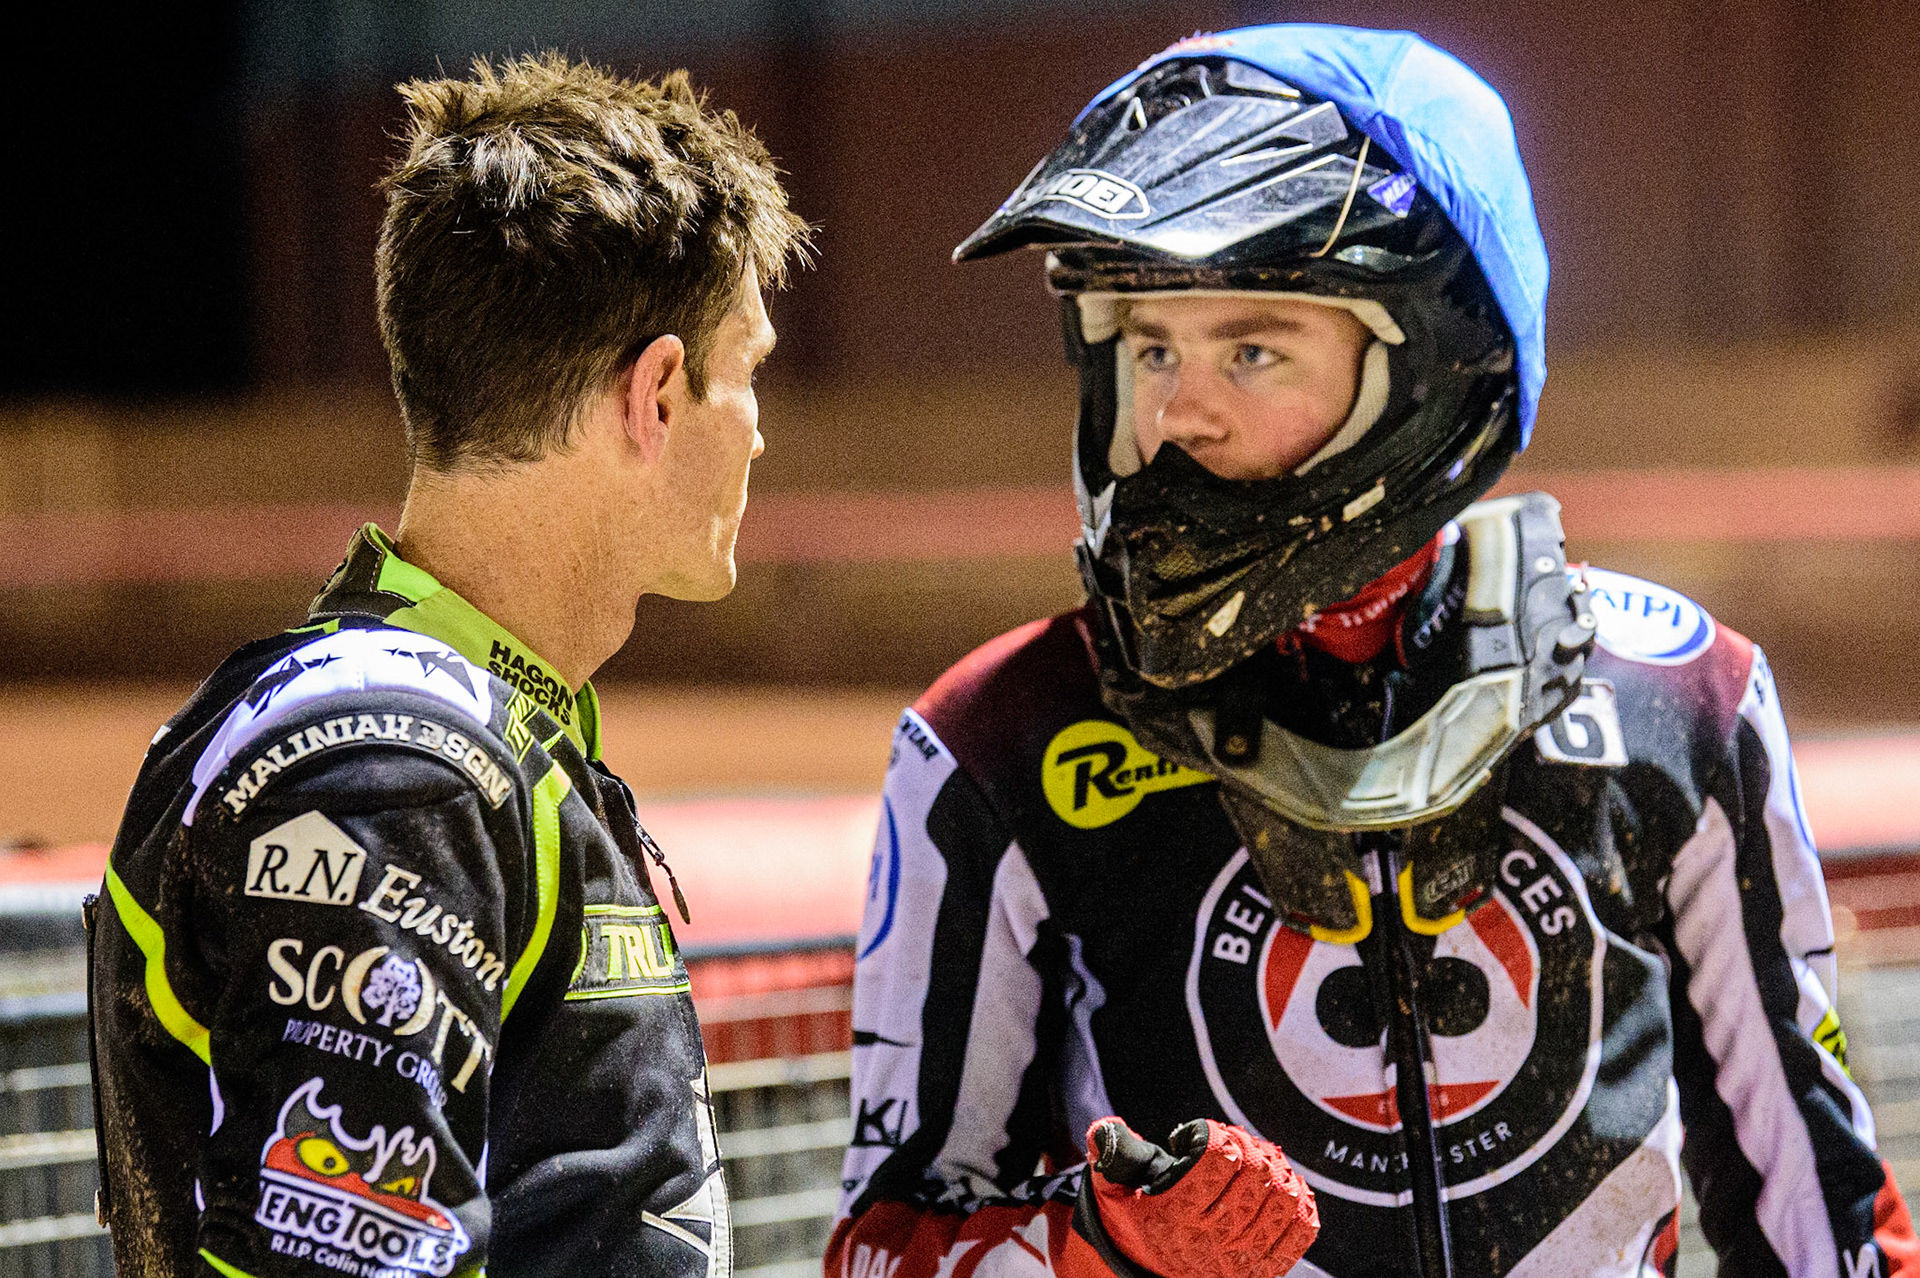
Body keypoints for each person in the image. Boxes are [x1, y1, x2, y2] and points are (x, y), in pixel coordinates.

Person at [828, 23, 1918, 1278]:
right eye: (1149, 347)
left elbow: (1826, 1215)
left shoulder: (1681, 694)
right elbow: (881, 1244)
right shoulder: (996, 741)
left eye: (1252, 349)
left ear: (1432, 363)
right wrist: (1099, 1245)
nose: (1178, 412)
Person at [88, 53, 808, 1278]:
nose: (760, 431)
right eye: (747, 374)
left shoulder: (447, 735)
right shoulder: (398, 768)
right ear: (657, 394)